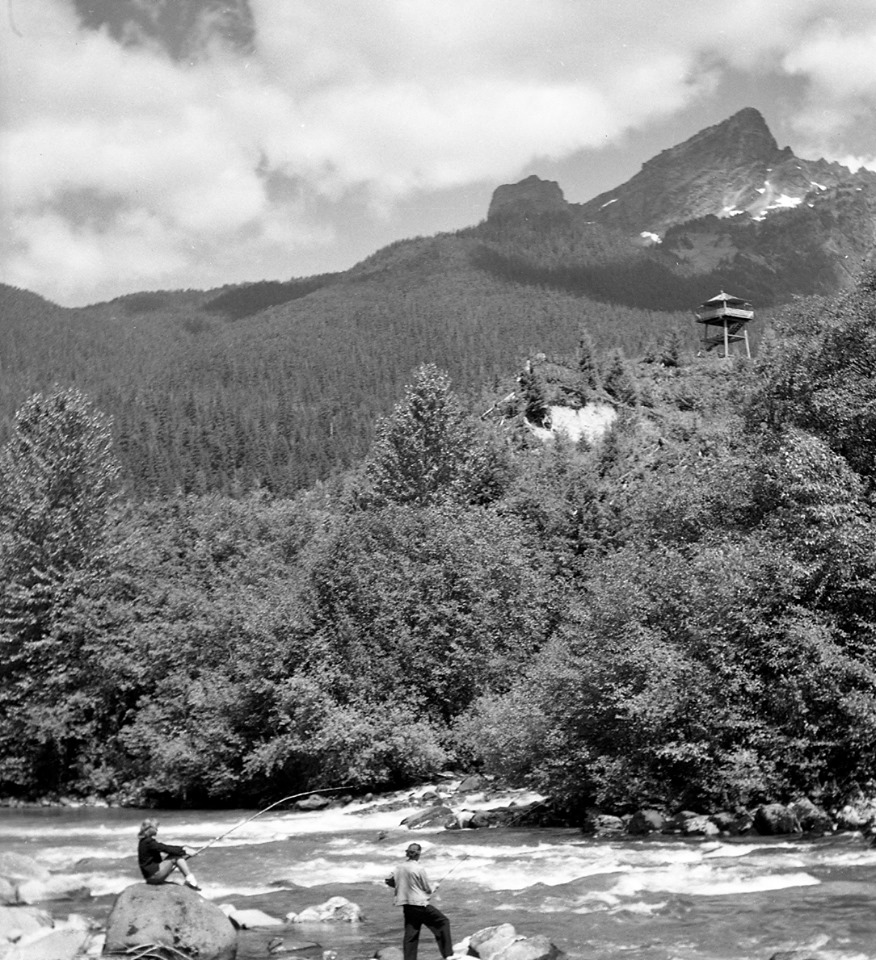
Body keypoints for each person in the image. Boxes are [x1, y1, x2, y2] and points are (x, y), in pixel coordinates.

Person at [385, 843, 452, 960]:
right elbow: (426, 889)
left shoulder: (398, 867)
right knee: (443, 922)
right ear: (419, 853)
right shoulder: (419, 868)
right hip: (420, 905)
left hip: (407, 905)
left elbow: (388, 881)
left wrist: (401, 886)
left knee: (411, 934)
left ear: (407, 853)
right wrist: (434, 887)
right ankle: (448, 955)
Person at [137, 819, 201, 890]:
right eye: (156, 828)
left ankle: (190, 881)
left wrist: (183, 849)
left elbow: (166, 848)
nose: (157, 830)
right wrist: (184, 850)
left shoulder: (143, 842)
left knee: (175, 855)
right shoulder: (149, 842)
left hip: (150, 877)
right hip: (154, 875)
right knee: (175, 857)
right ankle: (192, 882)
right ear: (150, 829)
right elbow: (166, 848)